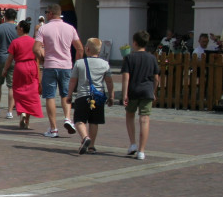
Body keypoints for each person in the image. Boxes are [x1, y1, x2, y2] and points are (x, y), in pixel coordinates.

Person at [34, 3, 83, 138]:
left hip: (50, 65)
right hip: (66, 66)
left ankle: (53, 128)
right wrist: (76, 63)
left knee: (49, 96)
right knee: (66, 94)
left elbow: (36, 48)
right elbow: (79, 48)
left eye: (46, 12)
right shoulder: (70, 28)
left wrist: (42, 58)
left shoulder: (43, 29)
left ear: (50, 13)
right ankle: (67, 118)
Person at [67, 38, 114, 154]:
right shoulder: (105, 64)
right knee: (94, 121)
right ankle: (91, 145)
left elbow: (73, 81)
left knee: (79, 120)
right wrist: (111, 96)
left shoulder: (80, 63)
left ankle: (85, 137)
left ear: (87, 49)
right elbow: (109, 81)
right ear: (99, 51)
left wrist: (69, 95)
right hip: (98, 96)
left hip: (83, 95)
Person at [121, 30, 160, 161]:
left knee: (130, 115)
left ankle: (132, 144)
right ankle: (141, 151)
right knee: (144, 120)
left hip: (133, 90)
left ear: (135, 43)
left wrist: (124, 93)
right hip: (147, 91)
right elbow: (156, 78)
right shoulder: (152, 58)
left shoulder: (129, 58)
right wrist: (154, 91)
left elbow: (126, 77)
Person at [2, 19, 42, 129]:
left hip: (20, 66)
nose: (16, 30)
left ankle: (22, 112)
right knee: (31, 92)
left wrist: (5, 69)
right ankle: (27, 119)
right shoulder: (34, 41)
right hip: (32, 66)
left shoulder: (15, 42)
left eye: (17, 28)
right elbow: (38, 57)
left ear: (21, 29)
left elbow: (10, 59)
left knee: (19, 90)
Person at [0, 8, 19, 118]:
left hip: (1, 58)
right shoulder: (18, 29)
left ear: (4, 17)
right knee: (11, 86)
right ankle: (10, 111)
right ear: (15, 18)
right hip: (14, 59)